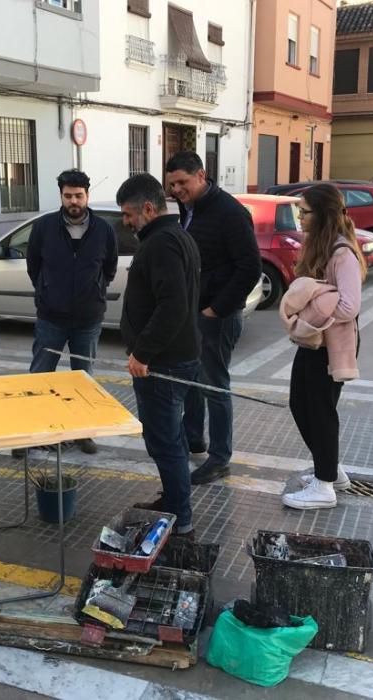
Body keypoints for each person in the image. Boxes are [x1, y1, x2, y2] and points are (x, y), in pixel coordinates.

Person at [165, 151, 261, 485]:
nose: (177, 190)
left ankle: (220, 458)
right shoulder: (188, 208)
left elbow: (250, 267)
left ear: (202, 176)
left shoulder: (230, 213)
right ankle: (194, 439)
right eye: (173, 184)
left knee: (215, 387)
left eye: (183, 182)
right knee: (192, 379)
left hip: (216, 315)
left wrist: (215, 309)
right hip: (193, 311)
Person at [117, 173, 201, 537]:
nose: (126, 222)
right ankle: (172, 502)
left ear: (148, 209)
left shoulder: (162, 244)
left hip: (163, 363)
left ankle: (180, 520)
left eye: (129, 215)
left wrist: (143, 353)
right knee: (170, 440)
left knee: (165, 443)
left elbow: (173, 306)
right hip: (177, 356)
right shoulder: (176, 236)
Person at [14, 169, 117, 457]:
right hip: (51, 318)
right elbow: (33, 265)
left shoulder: (104, 229)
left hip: (88, 319)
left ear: (87, 195)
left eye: (79, 195)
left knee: (84, 379)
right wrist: (46, 291)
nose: (74, 201)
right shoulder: (44, 227)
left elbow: (108, 267)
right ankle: (29, 434)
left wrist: (95, 290)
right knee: (39, 376)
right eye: (68, 196)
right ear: (61, 195)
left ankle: (83, 433)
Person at [280, 184, 366, 510]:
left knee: (319, 410)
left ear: (323, 215)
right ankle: (330, 470)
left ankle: (324, 485)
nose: (300, 217)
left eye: (305, 211)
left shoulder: (341, 253)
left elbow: (349, 306)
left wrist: (311, 306)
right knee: (300, 404)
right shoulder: (320, 246)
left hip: (330, 344)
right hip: (315, 341)